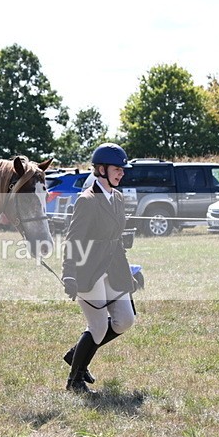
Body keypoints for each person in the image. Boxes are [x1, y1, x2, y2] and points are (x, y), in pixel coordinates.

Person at [61, 143, 137, 394]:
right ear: (101, 170)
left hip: (114, 267)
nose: (121, 173)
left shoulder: (117, 197)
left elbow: (115, 238)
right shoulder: (87, 201)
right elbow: (73, 239)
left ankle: (77, 354)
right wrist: (68, 273)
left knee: (125, 320)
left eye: (122, 170)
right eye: (117, 169)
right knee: (99, 326)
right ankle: (74, 381)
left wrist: (129, 272)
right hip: (88, 270)